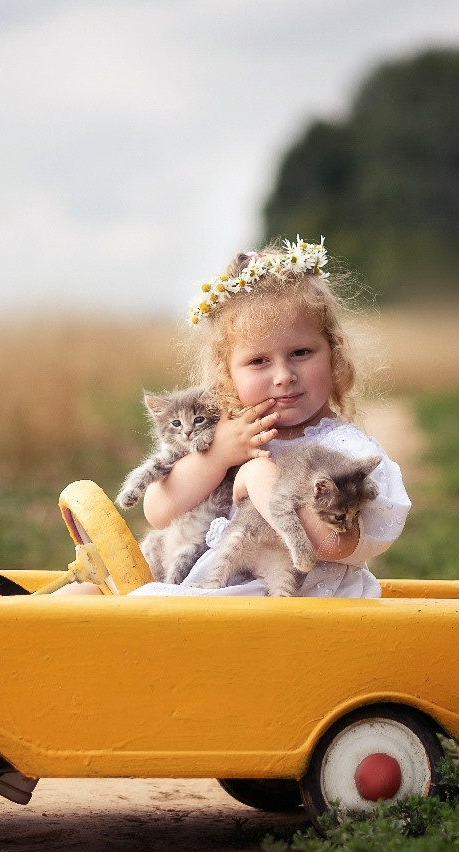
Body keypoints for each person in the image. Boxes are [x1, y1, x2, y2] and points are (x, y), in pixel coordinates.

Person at [130, 238, 410, 598]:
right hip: (217, 590)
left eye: (301, 352)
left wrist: (260, 478)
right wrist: (218, 458)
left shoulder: (343, 451)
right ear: (227, 374)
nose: (283, 376)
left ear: (333, 353)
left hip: (292, 607)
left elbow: (337, 544)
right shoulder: (227, 437)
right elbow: (158, 511)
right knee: (87, 595)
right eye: (258, 361)